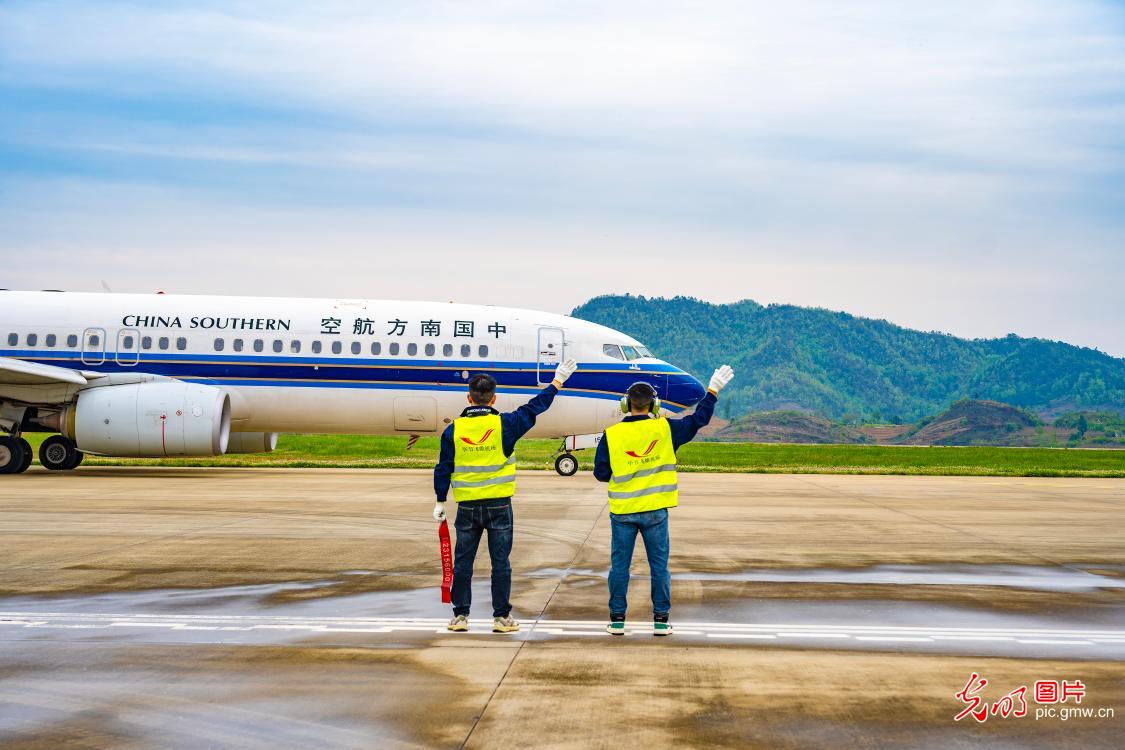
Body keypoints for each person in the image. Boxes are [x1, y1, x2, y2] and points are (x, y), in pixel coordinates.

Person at [433, 359, 578, 633]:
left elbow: (443, 468)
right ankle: (501, 617)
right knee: (501, 563)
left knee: (464, 562)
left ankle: (460, 617)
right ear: (493, 398)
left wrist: (441, 499)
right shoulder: (506, 425)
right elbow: (536, 407)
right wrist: (558, 380)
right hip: (499, 505)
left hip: (467, 506)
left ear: (469, 397)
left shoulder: (453, 430)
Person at [593, 365, 734, 636]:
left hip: (623, 511)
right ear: (655, 405)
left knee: (619, 568)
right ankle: (660, 620)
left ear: (625, 405)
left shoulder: (611, 435)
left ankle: (617, 620)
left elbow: (601, 474)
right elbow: (698, 420)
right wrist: (712, 390)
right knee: (659, 567)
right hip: (656, 512)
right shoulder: (666, 429)